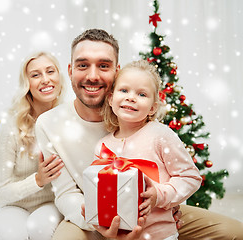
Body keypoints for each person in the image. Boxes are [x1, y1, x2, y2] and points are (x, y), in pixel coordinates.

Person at [35, 28, 243, 240]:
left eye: (104, 66)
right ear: (70, 70)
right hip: (91, 215)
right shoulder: (49, 124)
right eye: (83, 65)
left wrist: (168, 203)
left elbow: (173, 172)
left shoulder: (137, 114)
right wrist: (99, 220)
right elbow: (66, 193)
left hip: (151, 213)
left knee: (235, 232)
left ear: (116, 71)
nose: (93, 75)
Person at [93, 59, 202, 240]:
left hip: (160, 235)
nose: (131, 97)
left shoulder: (160, 136)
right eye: (124, 90)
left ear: (152, 108)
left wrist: (159, 195)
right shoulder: (103, 147)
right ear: (111, 99)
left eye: (142, 94)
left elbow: (190, 177)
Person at [0, 51, 65, 240]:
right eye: (35, 75)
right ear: (27, 84)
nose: (46, 80)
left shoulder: (67, 122)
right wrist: (38, 180)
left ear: (59, 77)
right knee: (13, 235)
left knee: (40, 229)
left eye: (50, 71)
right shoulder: (10, 129)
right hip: (13, 206)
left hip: (51, 204)